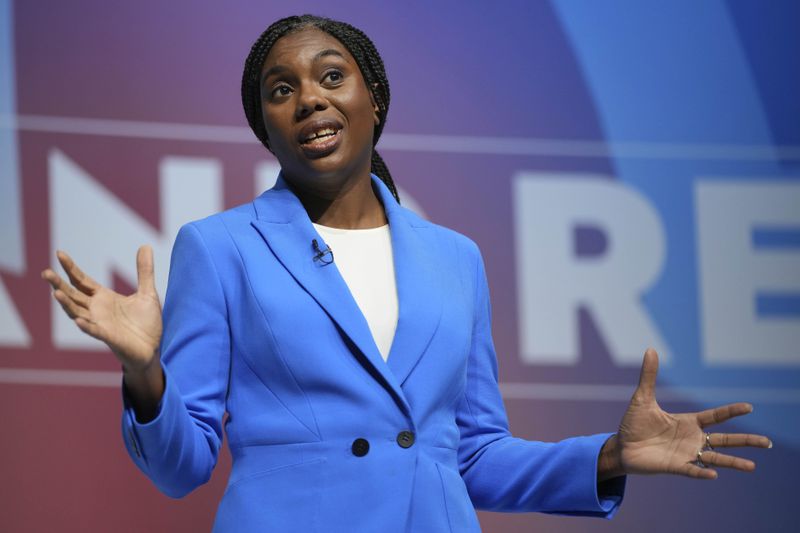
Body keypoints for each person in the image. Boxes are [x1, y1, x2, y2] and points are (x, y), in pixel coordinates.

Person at [41, 14, 771, 532]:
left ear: (375, 99)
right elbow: (180, 467)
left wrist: (610, 455)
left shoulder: (456, 257)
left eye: (332, 76)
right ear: (265, 127)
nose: (310, 99)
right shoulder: (220, 247)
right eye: (281, 90)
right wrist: (146, 376)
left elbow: (475, 455)